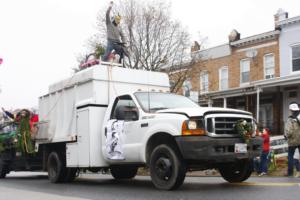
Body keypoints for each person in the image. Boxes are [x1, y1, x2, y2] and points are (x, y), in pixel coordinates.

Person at [284, 102, 300, 177]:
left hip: (293, 140)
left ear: (291, 110)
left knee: (290, 156)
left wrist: (286, 136)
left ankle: (290, 173)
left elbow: (289, 131)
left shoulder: (290, 119)